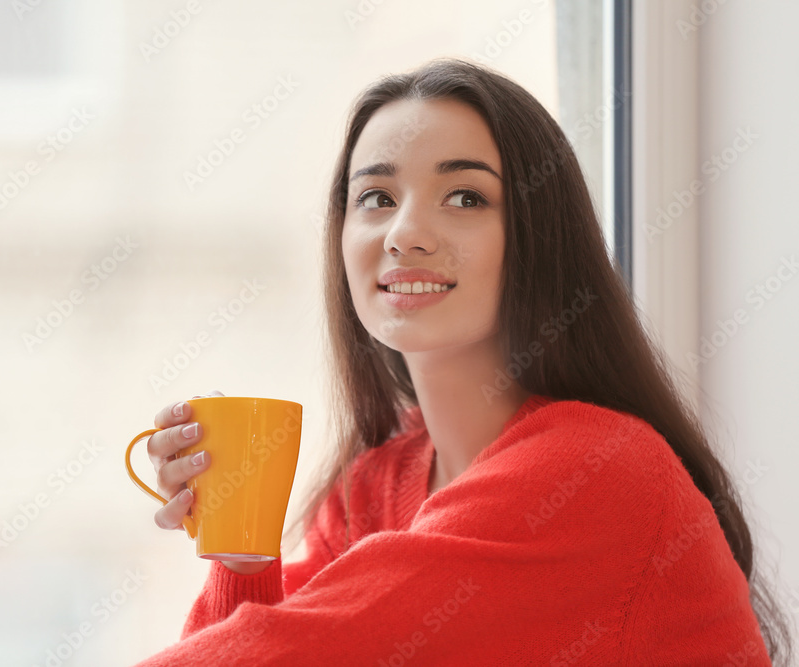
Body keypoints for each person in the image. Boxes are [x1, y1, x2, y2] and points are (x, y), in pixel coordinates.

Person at [133, 58, 792, 665]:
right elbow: (255, 644)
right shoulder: (370, 489)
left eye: (466, 197)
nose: (405, 233)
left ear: (539, 238)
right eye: (377, 198)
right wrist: (240, 551)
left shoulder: (596, 471)